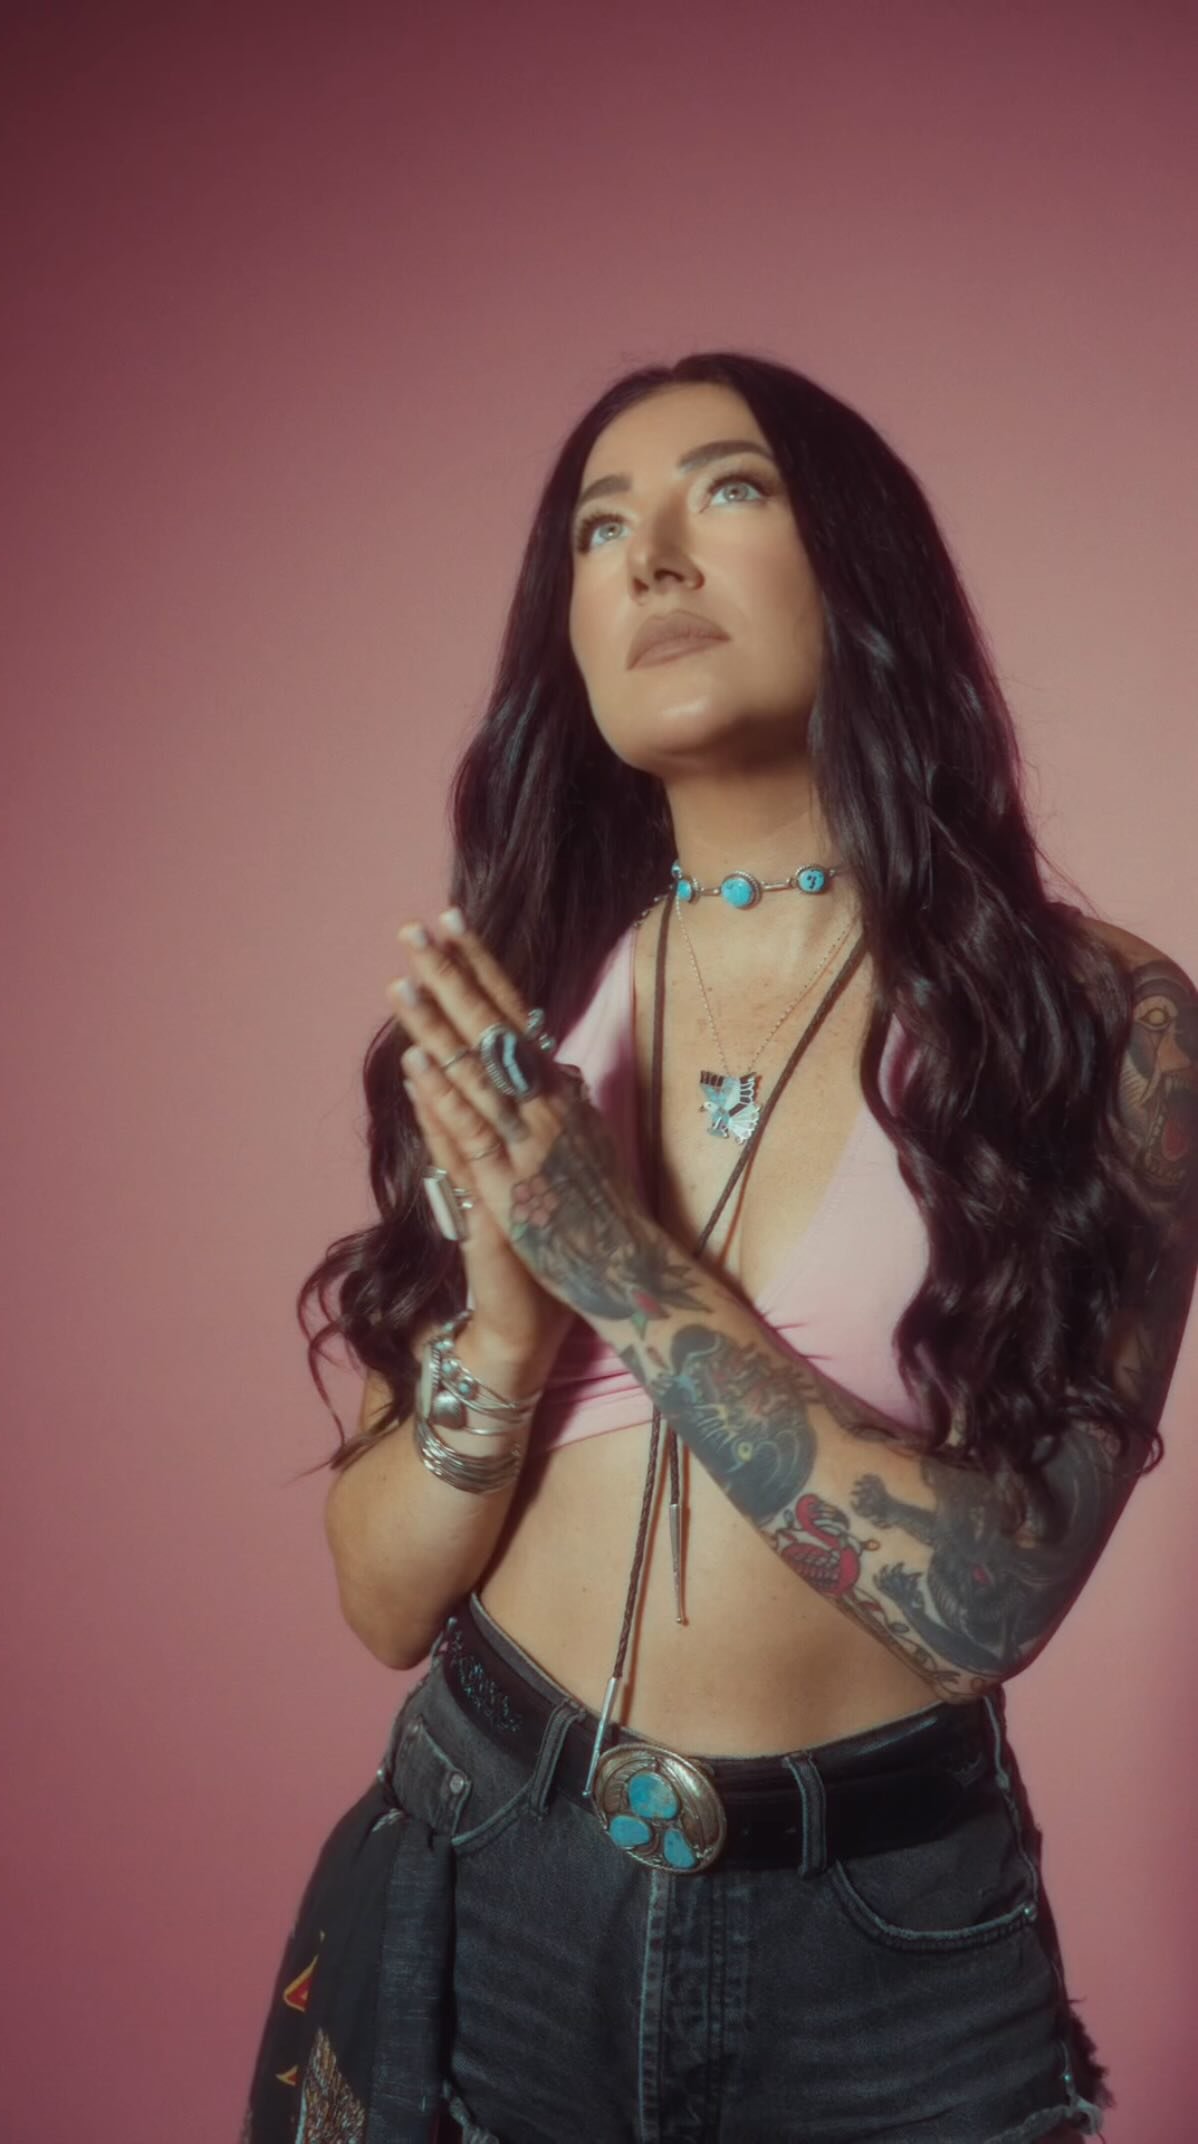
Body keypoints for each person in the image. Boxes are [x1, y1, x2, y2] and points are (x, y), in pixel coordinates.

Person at [239, 353, 1197, 2144]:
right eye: (599, 530)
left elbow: (994, 1603)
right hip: (486, 1862)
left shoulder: (1090, 1028)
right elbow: (380, 1600)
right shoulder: (519, 1005)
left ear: (860, 568)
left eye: (728, 492)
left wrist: (616, 1262)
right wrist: (504, 1339)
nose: (652, 558)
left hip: (880, 1946)